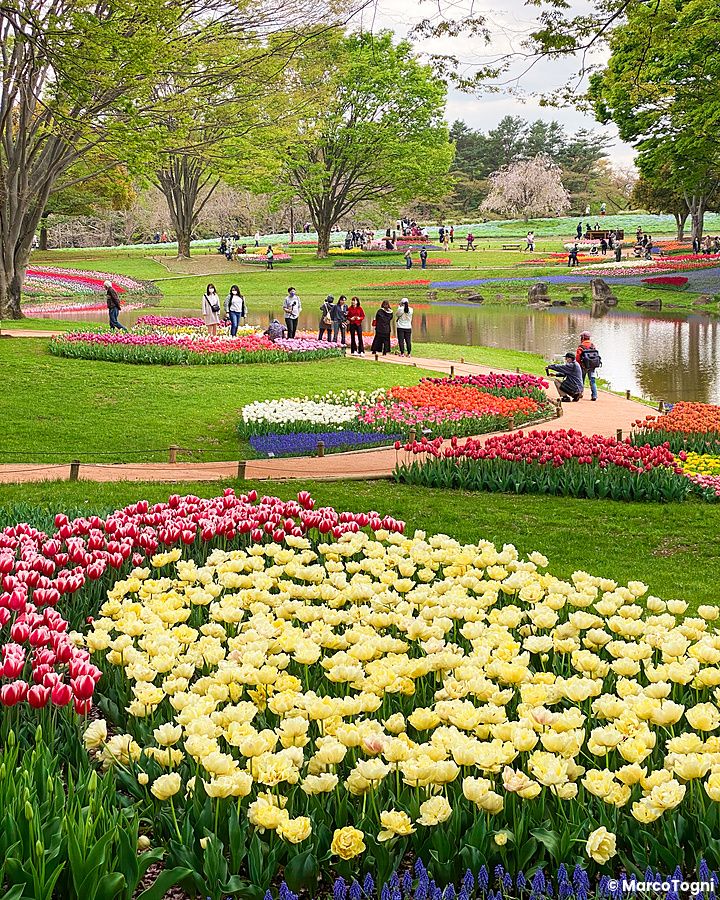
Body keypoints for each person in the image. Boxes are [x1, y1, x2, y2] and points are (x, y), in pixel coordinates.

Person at [576, 331, 602, 401]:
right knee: (592, 381)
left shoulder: (581, 347)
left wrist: (578, 365)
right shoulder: (592, 345)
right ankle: (594, 395)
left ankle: (580, 393)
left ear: (582, 338)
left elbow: (577, 358)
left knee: (581, 380)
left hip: (583, 366)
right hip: (592, 366)